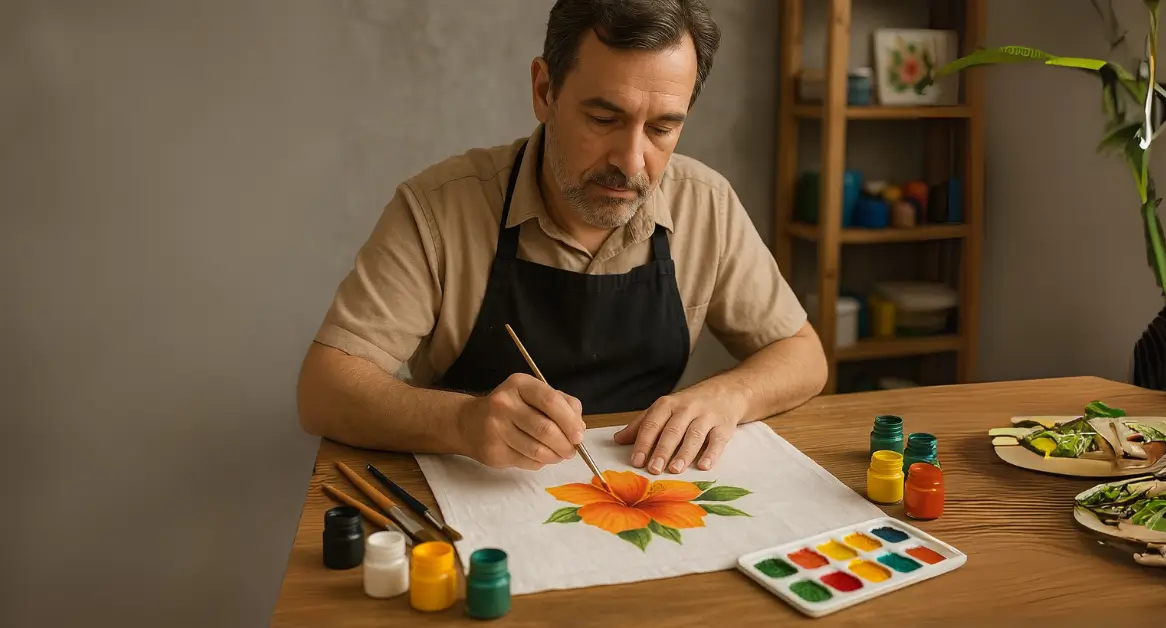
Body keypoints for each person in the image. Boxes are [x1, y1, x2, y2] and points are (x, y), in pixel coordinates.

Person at [297, 0, 827, 477]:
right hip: (478, 506)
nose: (631, 161)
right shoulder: (439, 208)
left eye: (662, 128)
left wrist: (728, 395)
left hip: (640, 494)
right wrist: (462, 421)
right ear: (544, 90)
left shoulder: (704, 202)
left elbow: (804, 356)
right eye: (603, 117)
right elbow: (323, 389)